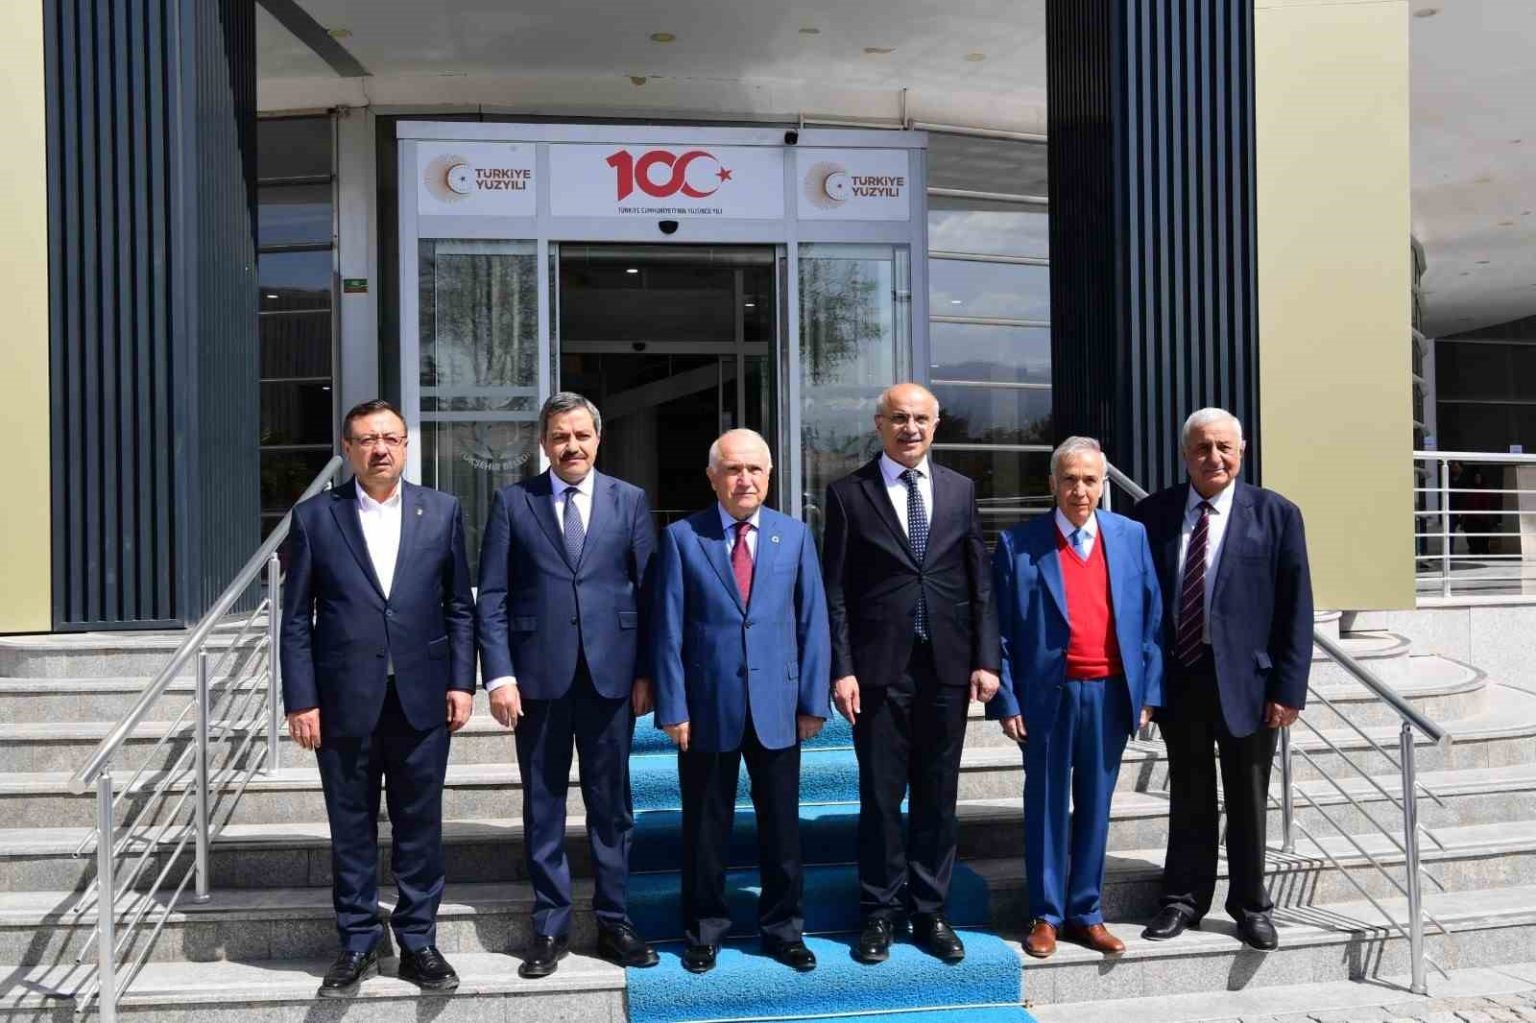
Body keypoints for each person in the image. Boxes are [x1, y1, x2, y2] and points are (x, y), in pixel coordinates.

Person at [280, 398, 475, 997]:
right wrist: (301, 700)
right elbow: (296, 620)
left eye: (390, 438)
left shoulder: (441, 510)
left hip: (423, 697)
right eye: (367, 439)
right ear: (348, 449)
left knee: (420, 824)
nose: (380, 449)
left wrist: (462, 681)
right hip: (343, 699)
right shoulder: (315, 517)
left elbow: (458, 606)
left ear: (406, 445)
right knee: (351, 826)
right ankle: (358, 942)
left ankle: (418, 943)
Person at [476, 392, 660, 979]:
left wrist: (647, 672)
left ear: (598, 439)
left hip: (612, 678)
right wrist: (499, 675)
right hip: (536, 681)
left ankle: (614, 920)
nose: (572, 446)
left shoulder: (630, 501)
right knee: (543, 804)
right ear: (544, 443)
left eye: (582, 435)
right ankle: (550, 925)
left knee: (612, 807)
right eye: (560, 436)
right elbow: (493, 597)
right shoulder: (513, 503)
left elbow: (650, 593)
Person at [821, 383, 1000, 964]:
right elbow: (835, 592)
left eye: (921, 418)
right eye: (899, 418)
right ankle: (878, 912)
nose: (911, 429)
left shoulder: (960, 490)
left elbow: (979, 580)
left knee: (937, 796)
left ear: (936, 424)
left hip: (946, 667)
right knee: (880, 797)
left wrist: (986, 658)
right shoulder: (848, 494)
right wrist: (841, 667)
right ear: (879, 425)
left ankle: (929, 911)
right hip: (877, 671)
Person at [651, 429, 831, 975]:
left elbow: (813, 621)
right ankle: (703, 931)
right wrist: (673, 706)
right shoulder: (683, 537)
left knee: (783, 828)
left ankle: (784, 930)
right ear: (713, 478)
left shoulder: (794, 535)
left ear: (769, 476)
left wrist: (812, 701)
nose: (744, 479)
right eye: (733, 469)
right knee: (706, 828)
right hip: (707, 705)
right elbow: (667, 628)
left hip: (778, 706)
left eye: (754, 469)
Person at [1135, 407, 1313, 952]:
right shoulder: (1151, 515)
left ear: (1242, 451)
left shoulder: (1277, 514)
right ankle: (1182, 900)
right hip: (1181, 676)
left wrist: (1288, 689)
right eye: (1202, 448)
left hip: (1250, 685)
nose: (1213, 457)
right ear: (1184, 454)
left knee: (1248, 798)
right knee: (1189, 793)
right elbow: (1139, 604)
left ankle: (1251, 906)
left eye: (1224, 447)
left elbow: (1296, 608)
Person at [988, 436, 1162, 960]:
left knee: (1096, 806)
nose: (1079, 490)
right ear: (1052, 484)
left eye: (1089, 480)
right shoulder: (1018, 544)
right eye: (1069, 479)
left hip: (1110, 694)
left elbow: (1152, 620)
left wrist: (1148, 692)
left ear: (1103, 484)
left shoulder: (1131, 536)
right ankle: (1045, 915)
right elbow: (999, 630)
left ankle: (1087, 912)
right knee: (1044, 804)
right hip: (1046, 697)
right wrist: (1007, 700)